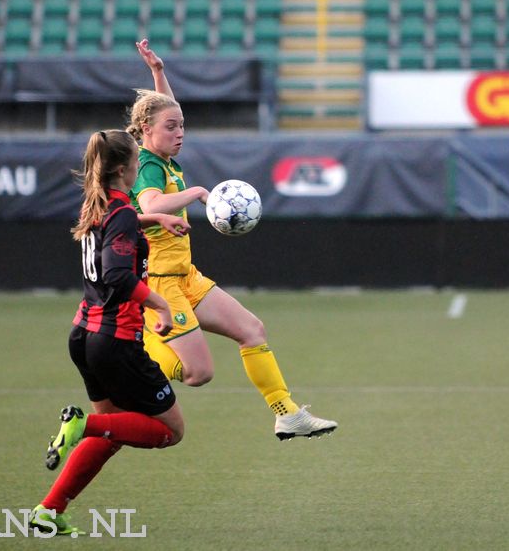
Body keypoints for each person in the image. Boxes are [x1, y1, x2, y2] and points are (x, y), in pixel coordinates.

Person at [128, 39, 338, 440]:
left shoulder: (165, 155)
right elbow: (153, 202)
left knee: (252, 329)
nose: (180, 132)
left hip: (185, 276)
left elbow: (165, 110)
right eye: (172, 127)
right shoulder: (147, 165)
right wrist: (198, 193)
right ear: (145, 131)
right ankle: (141, 351)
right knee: (198, 374)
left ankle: (287, 413)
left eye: (183, 126)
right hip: (158, 285)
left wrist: (158, 72)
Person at [30, 129, 188, 535]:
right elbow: (117, 274)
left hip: (83, 334)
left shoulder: (98, 204)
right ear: (124, 168)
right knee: (169, 431)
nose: (140, 167)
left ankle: (49, 510)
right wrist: (161, 304)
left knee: (114, 431)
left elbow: (120, 226)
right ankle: (81, 425)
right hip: (115, 339)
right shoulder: (118, 213)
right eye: (137, 161)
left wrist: (154, 218)